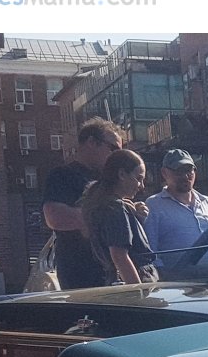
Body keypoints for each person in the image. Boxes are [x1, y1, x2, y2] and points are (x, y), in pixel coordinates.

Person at [43, 117, 123, 290]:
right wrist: (108, 214)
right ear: (91, 142)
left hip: (113, 271)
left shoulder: (110, 181)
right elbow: (55, 217)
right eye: (113, 149)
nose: (116, 157)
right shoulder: (63, 175)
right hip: (81, 273)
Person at [80, 148, 157, 286]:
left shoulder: (101, 204)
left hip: (113, 279)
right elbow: (120, 257)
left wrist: (132, 216)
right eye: (138, 178)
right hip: (136, 277)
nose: (142, 186)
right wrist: (138, 293)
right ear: (121, 174)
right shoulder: (116, 208)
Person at [143, 149, 208, 269]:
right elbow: (149, 250)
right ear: (164, 173)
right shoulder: (154, 205)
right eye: (178, 172)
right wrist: (163, 277)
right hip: (177, 282)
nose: (185, 176)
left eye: (189, 171)